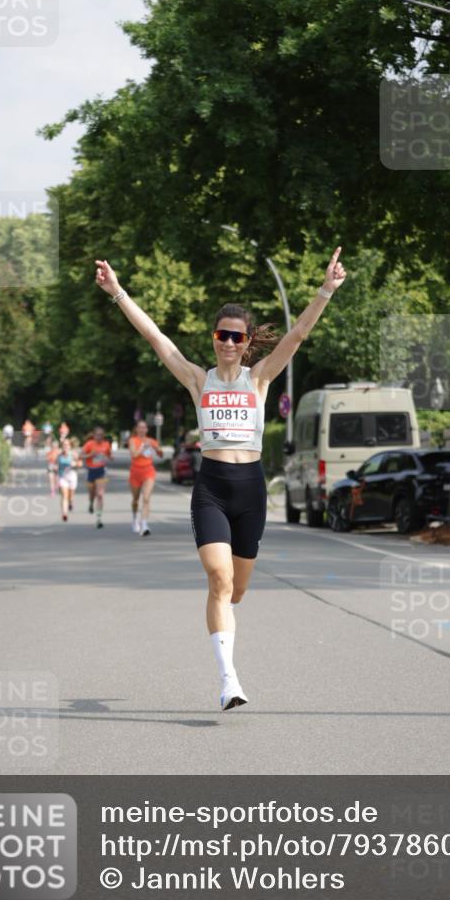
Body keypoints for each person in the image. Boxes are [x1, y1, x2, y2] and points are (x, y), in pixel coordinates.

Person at [95, 247, 347, 710]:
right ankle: (229, 679)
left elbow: (296, 336)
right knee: (218, 580)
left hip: (249, 489)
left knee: (238, 589)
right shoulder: (197, 379)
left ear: (247, 341)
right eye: (221, 335)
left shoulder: (260, 379)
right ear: (214, 338)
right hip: (211, 488)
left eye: (236, 337)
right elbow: (155, 337)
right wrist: (118, 293)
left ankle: (226, 632)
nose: (228, 343)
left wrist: (325, 290)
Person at [128, 420, 163, 536]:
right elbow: (134, 454)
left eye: (144, 428)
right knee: (135, 500)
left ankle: (144, 525)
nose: (142, 430)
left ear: (147, 430)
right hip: (135, 472)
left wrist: (157, 449)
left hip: (148, 471)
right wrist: (143, 448)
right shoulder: (133, 440)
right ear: (136, 429)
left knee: (146, 498)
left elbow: (161, 454)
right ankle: (134, 518)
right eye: (140, 427)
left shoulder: (151, 441)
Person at [81, 426, 113, 529]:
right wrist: (90, 454)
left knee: (100, 495)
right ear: (94, 435)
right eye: (97, 435)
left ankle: (99, 518)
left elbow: (110, 456)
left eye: (101, 435)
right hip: (91, 471)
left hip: (101, 471)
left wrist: (108, 458)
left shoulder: (106, 444)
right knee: (92, 494)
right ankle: (91, 503)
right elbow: (80, 456)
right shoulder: (89, 444)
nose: (99, 437)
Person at [57, 439, 81, 521]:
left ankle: (71, 502)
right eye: (64, 445)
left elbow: (80, 463)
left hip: (72, 477)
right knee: (64, 496)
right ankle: (64, 513)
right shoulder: (59, 455)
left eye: (67, 445)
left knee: (70, 496)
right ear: (62, 446)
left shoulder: (73, 454)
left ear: (70, 446)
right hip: (62, 477)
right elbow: (55, 465)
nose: (65, 446)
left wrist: (75, 464)